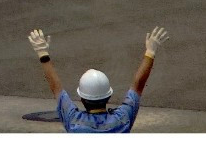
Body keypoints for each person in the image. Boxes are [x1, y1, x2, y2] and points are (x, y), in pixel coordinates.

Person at [28, 26, 166, 132]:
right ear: (108, 95)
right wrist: (150, 52)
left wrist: (42, 53)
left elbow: (56, 87)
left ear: (81, 98)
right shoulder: (122, 119)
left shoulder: (74, 121)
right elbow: (138, 85)